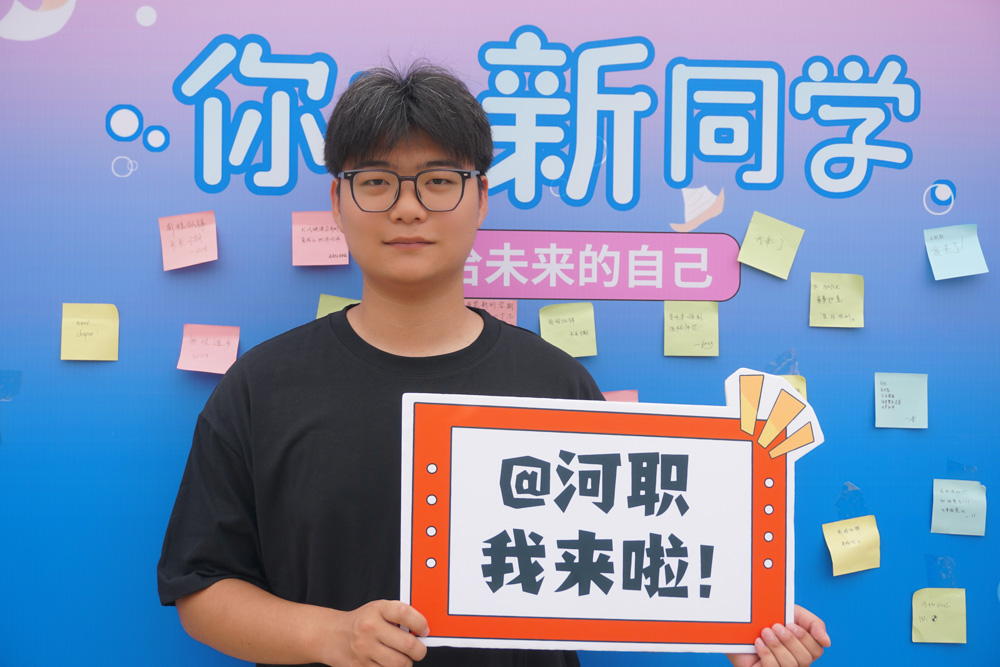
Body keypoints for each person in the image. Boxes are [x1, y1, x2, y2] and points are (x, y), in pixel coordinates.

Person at [158, 62, 831, 667]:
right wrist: (332, 636)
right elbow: (201, 588)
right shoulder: (263, 387)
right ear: (336, 202)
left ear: (481, 198)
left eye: (438, 181)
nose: (408, 207)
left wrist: (737, 620)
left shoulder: (555, 383)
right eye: (376, 182)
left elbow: (628, 554)